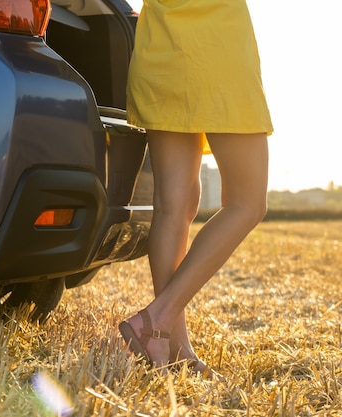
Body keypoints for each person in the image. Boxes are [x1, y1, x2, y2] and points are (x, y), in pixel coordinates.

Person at [118, 0, 273, 377]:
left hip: (163, 53)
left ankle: (172, 344)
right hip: (216, 54)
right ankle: (157, 317)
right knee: (247, 203)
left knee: (175, 206)